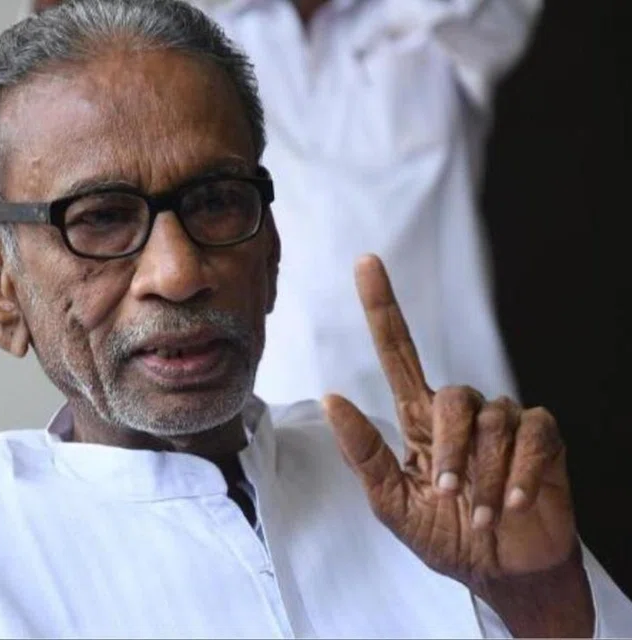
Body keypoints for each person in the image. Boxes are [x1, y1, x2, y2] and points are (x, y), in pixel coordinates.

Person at [0, 1, 632, 637]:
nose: (178, 272)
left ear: (271, 247)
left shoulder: (427, 503)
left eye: (215, 201)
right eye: (100, 219)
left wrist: (541, 598)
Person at [27, 0, 533, 426]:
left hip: (450, 415)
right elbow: (63, 39)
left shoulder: (437, 23)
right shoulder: (182, 33)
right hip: (255, 433)